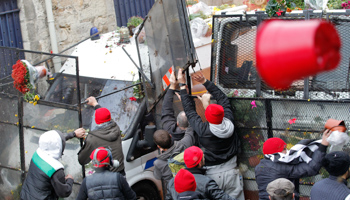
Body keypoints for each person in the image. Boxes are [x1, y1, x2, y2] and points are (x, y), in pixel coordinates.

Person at [177, 69, 243, 199]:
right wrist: (206, 82)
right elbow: (223, 99)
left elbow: (190, 113)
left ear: (206, 115)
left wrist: (182, 87)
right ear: (223, 114)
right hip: (232, 171)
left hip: (212, 176)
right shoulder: (229, 121)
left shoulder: (203, 130)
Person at [255, 130, 331, 200]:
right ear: (277, 153)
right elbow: (311, 168)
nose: (287, 151)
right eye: (284, 149)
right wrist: (323, 145)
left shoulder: (259, 166)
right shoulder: (281, 166)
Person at [21, 130, 75, 199]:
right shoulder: (55, 169)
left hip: (26, 196)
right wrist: (70, 180)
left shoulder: (37, 153)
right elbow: (64, 192)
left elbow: (52, 143)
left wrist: (73, 134)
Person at [166, 146, 235, 200]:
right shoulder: (207, 182)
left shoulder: (172, 182)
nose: (204, 159)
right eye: (203, 158)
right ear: (199, 163)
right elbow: (223, 198)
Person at [78, 96, 125, 175]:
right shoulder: (116, 127)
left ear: (96, 120)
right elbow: (107, 118)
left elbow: (82, 160)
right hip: (120, 172)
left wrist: (83, 139)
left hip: (105, 176)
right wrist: (95, 104)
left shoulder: (92, 138)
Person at [153, 127, 195, 198]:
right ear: (170, 136)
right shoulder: (184, 144)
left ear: (158, 146)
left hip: (175, 192)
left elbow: (157, 176)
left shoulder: (158, 163)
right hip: (191, 184)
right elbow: (190, 131)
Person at [161, 69, 189, 141]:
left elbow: (167, 110)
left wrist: (172, 86)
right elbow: (166, 111)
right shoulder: (196, 132)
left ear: (177, 123)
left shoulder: (170, 131)